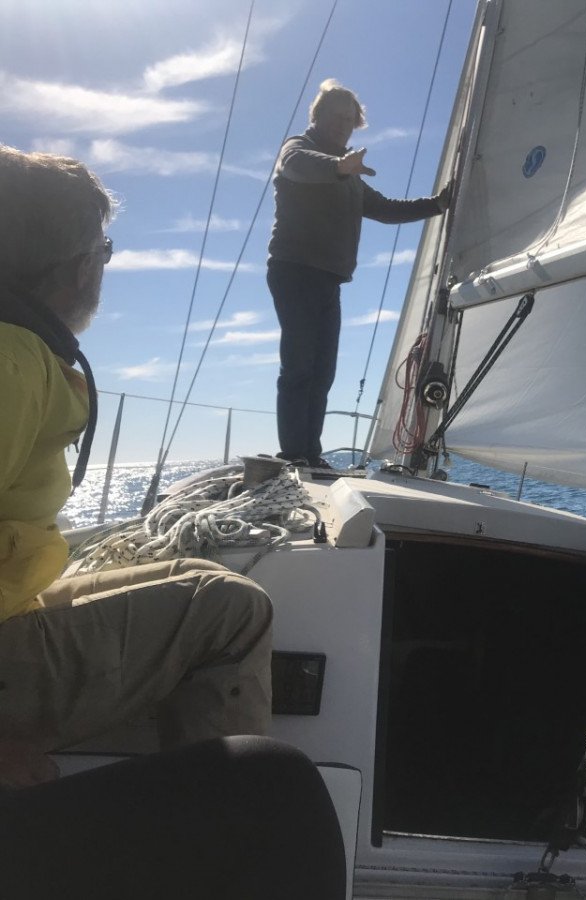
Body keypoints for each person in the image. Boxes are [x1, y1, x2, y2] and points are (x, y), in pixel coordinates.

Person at [0, 146, 346, 898]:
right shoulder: (12, 360)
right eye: (105, 250)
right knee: (231, 612)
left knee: (200, 581)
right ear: (76, 266)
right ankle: (215, 850)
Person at [268, 78, 449, 468]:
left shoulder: (350, 173)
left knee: (323, 371)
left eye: (349, 120)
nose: (342, 125)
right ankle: (293, 454)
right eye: (335, 117)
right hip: (294, 269)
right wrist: (338, 166)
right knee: (299, 365)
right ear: (318, 117)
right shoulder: (299, 149)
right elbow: (297, 167)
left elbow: (385, 209)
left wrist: (437, 204)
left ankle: (310, 454)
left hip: (328, 277)